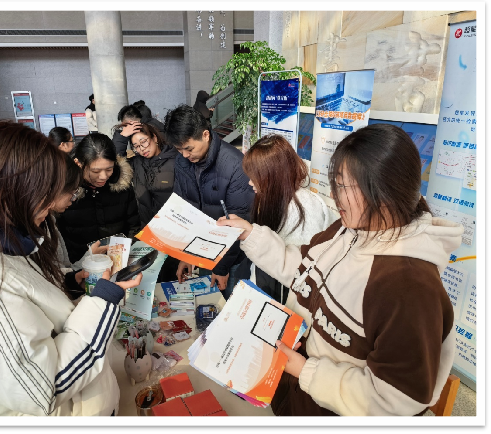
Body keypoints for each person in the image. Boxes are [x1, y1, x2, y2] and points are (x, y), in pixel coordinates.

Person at [217, 123, 463, 416]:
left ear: (385, 191)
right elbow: (303, 270)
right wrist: (250, 235)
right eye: (335, 183)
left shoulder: (410, 287)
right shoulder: (348, 232)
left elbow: (396, 399)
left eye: (344, 186)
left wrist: (305, 370)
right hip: (295, 396)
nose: (334, 196)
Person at [0, 120, 142, 416]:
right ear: (12, 192)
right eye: (47, 195)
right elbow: (46, 386)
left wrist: (68, 282)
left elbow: (30, 308)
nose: (53, 206)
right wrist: (104, 300)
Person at [164, 104, 255, 300]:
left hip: (231, 259)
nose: (185, 155)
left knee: (229, 305)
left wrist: (222, 268)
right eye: (179, 150)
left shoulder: (235, 165)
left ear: (205, 135)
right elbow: (181, 209)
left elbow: (239, 221)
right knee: (208, 304)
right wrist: (186, 255)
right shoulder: (182, 161)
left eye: (188, 148)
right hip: (202, 252)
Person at [233, 134, 332, 304]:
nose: (250, 183)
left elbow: (301, 271)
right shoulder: (276, 198)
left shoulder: (304, 208)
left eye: (255, 177)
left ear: (272, 176)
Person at [56, 133, 141, 264]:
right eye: (95, 171)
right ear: (78, 163)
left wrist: (126, 255)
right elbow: (60, 234)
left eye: (109, 169)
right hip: (80, 265)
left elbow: (133, 226)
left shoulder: (122, 186)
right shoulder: (65, 193)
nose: (103, 176)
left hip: (118, 261)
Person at [128, 122, 179, 282]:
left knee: (171, 276)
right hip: (148, 232)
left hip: (172, 231)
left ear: (155, 138)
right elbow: (114, 164)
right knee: (150, 277)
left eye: (143, 142)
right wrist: (121, 137)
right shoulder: (136, 163)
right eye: (136, 146)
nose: (141, 148)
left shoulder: (176, 160)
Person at [50, 153, 107, 273]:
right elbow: (58, 275)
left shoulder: (49, 221)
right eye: (73, 192)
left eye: (109, 169)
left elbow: (64, 271)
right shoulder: (38, 229)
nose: (74, 198)